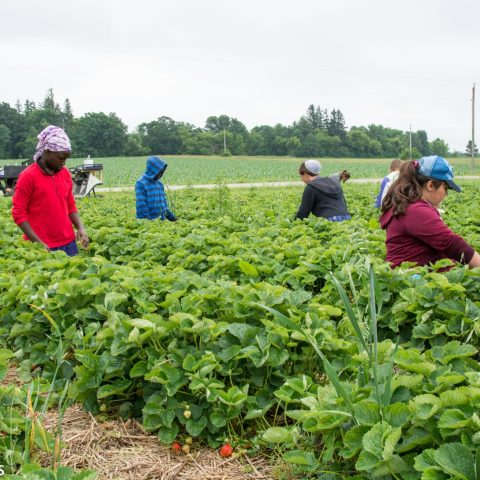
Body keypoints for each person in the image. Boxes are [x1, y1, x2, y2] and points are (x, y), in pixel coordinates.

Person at [380, 155, 480, 269]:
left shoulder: (407, 205)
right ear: (430, 185)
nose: (446, 194)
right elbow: (451, 243)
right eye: (445, 188)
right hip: (415, 280)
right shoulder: (416, 211)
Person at [11, 125, 88, 256]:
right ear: (47, 152)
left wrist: (80, 228)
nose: (63, 162)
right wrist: (38, 243)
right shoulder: (28, 177)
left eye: (66, 158)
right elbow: (18, 213)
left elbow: (70, 205)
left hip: (68, 242)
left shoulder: (64, 173)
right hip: (40, 245)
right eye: (61, 158)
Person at [135, 156, 177, 221]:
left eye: (162, 172)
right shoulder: (141, 183)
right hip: (148, 223)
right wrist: (147, 222)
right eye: (159, 172)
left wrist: (172, 217)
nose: (161, 174)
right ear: (153, 170)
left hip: (161, 223)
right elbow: (141, 206)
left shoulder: (159, 184)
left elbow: (164, 206)